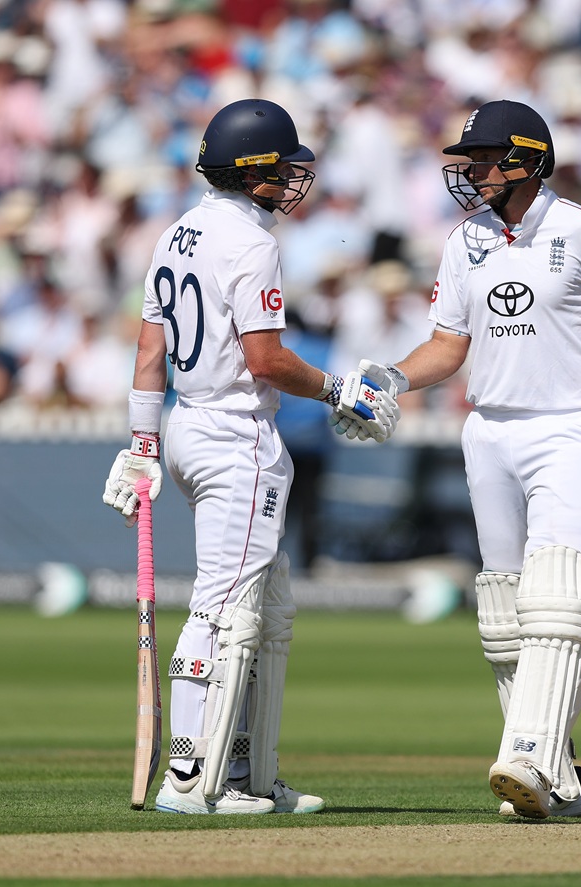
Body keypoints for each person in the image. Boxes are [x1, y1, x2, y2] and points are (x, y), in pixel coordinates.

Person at [338, 100, 581, 819]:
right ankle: (557, 776)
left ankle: (530, 755)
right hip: (490, 431)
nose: (470, 171)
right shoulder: (464, 240)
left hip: (571, 429)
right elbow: (448, 346)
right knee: (504, 614)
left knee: (560, 596)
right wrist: (390, 376)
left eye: (482, 159)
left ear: (526, 161)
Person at [101, 99, 399, 815]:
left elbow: (149, 351)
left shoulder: (175, 231)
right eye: (283, 165)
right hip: (238, 436)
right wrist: (339, 391)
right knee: (222, 607)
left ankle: (248, 772)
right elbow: (264, 360)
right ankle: (187, 778)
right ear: (253, 169)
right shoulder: (252, 242)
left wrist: (142, 443)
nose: (295, 177)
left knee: (266, 610)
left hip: (185, 424)